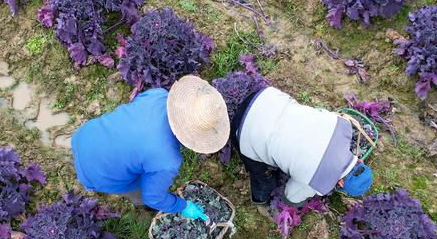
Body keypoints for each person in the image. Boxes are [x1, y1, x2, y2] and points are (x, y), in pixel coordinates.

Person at [71, 75, 229, 219]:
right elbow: (153, 197)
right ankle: (142, 206)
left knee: (138, 157)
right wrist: (183, 206)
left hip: (82, 136)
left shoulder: (158, 95)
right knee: (141, 192)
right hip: (95, 175)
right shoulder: (167, 161)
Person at [231, 85, 373, 208]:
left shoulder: (343, 126)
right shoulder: (318, 183)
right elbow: (291, 196)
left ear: (360, 161)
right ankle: (260, 198)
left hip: (265, 97)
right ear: (340, 183)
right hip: (245, 131)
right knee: (262, 177)